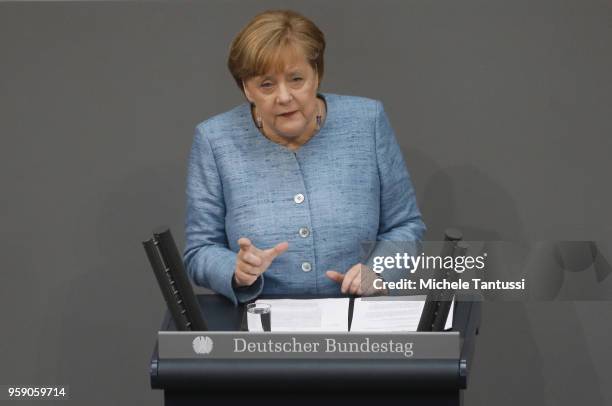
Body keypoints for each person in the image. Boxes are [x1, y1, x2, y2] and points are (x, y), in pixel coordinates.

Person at [184, 9, 426, 306]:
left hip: (359, 319)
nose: (284, 97)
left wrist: (379, 272)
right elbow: (200, 251)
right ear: (247, 89)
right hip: (262, 329)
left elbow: (405, 225)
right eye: (266, 84)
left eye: (296, 79)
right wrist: (235, 271)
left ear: (317, 75)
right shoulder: (214, 140)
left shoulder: (367, 121)